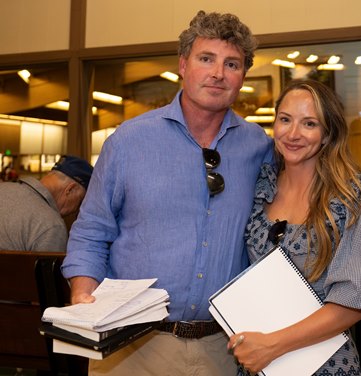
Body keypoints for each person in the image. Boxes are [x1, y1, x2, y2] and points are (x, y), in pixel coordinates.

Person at [61, 10, 273, 376]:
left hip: (224, 349)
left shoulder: (260, 147)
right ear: (182, 65)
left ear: (243, 76)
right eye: (206, 59)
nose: (218, 73)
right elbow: (90, 232)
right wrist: (83, 294)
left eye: (232, 64)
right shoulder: (128, 142)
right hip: (132, 347)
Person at [230, 80, 361, 375]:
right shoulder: (259, 187)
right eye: (285, 119)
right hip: (260, 362)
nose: (293, 134)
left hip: (323, 363)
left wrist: (272, 344)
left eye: (309, 123)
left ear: (327, 134)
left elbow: (355, 302)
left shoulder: (352, 198)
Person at [0, 155, 93, 251]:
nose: (76, 210)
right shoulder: (52, 226)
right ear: (70, 190)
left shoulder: (2, 188)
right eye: (81, 202)